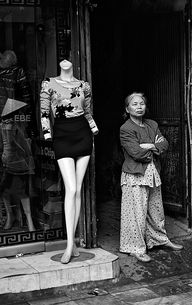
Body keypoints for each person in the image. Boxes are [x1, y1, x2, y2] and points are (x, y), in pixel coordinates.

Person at [40, 59, 98, 264]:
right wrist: (47, 134)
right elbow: (44, 112)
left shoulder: (84, 86)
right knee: (71, 189)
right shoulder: (48, 84)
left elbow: (88, 111)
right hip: (62, 136)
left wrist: (94, 129)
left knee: (78, 189)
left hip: (83, 135)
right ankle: (69, 245)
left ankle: (71, 245)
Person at [119, 92, 183, 263]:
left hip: (153, 172)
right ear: (127, 108)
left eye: (141, 104)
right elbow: (136, 153)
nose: (139, 107)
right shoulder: (126, 129)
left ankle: (160, 240)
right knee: (136, 213)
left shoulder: (152, 124)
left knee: (156, 210)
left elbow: (165, 144)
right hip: (135, 174)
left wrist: (149, 145)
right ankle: (135, 248)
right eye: (134, 104)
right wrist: (152, 149)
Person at [0, 98, 35, 231]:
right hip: (14, 163)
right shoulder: (12, 126)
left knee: (12, 191)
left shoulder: (10, 126)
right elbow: (24, 146)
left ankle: (23, 219)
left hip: (12, 163)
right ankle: (18, 218)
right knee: (13, 191)